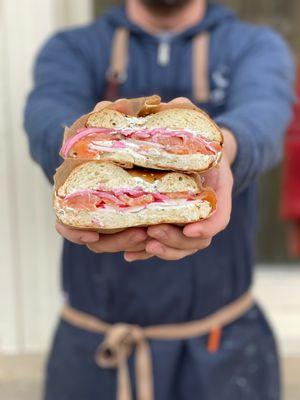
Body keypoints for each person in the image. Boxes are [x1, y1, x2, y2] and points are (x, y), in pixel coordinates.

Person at [24, 0, 294, 399]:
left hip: (224, 350)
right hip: (94, 351)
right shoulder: (75, 47)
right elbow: (45, 117)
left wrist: (225, 155)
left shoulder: (251, 45)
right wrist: (79, 149)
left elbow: (265, 117)